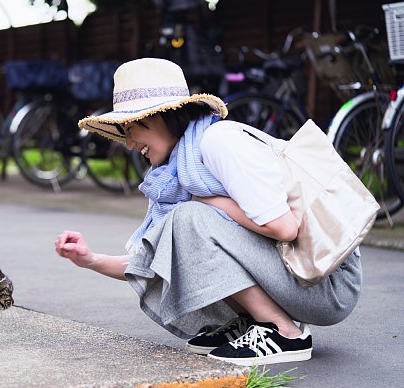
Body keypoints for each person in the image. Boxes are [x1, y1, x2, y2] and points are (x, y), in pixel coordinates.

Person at [54, 58, 361, 366]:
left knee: (188, 220)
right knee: (185, 224)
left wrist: (203, 203)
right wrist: (91, 260)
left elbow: (285, 228)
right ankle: (250, 320)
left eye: (133, 128)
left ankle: (282, 332)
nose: (131, 144)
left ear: (165, 116)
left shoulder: (218, 142)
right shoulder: (174, 174)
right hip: (296, 275)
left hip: (327, 281)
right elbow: (154, 259)